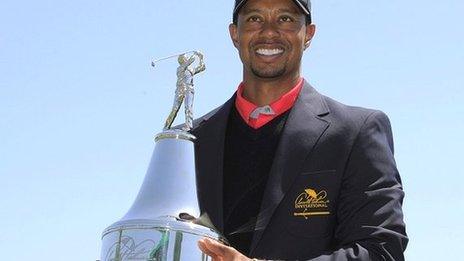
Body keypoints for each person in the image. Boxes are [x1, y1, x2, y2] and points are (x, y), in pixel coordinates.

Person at [193, 0, 408, 260]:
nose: (269, 31)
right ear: (234, 34)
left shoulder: (356, 133)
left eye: (285, 19)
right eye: (254, 19)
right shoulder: (191, 140)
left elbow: (381, 250)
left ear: (308, 34)